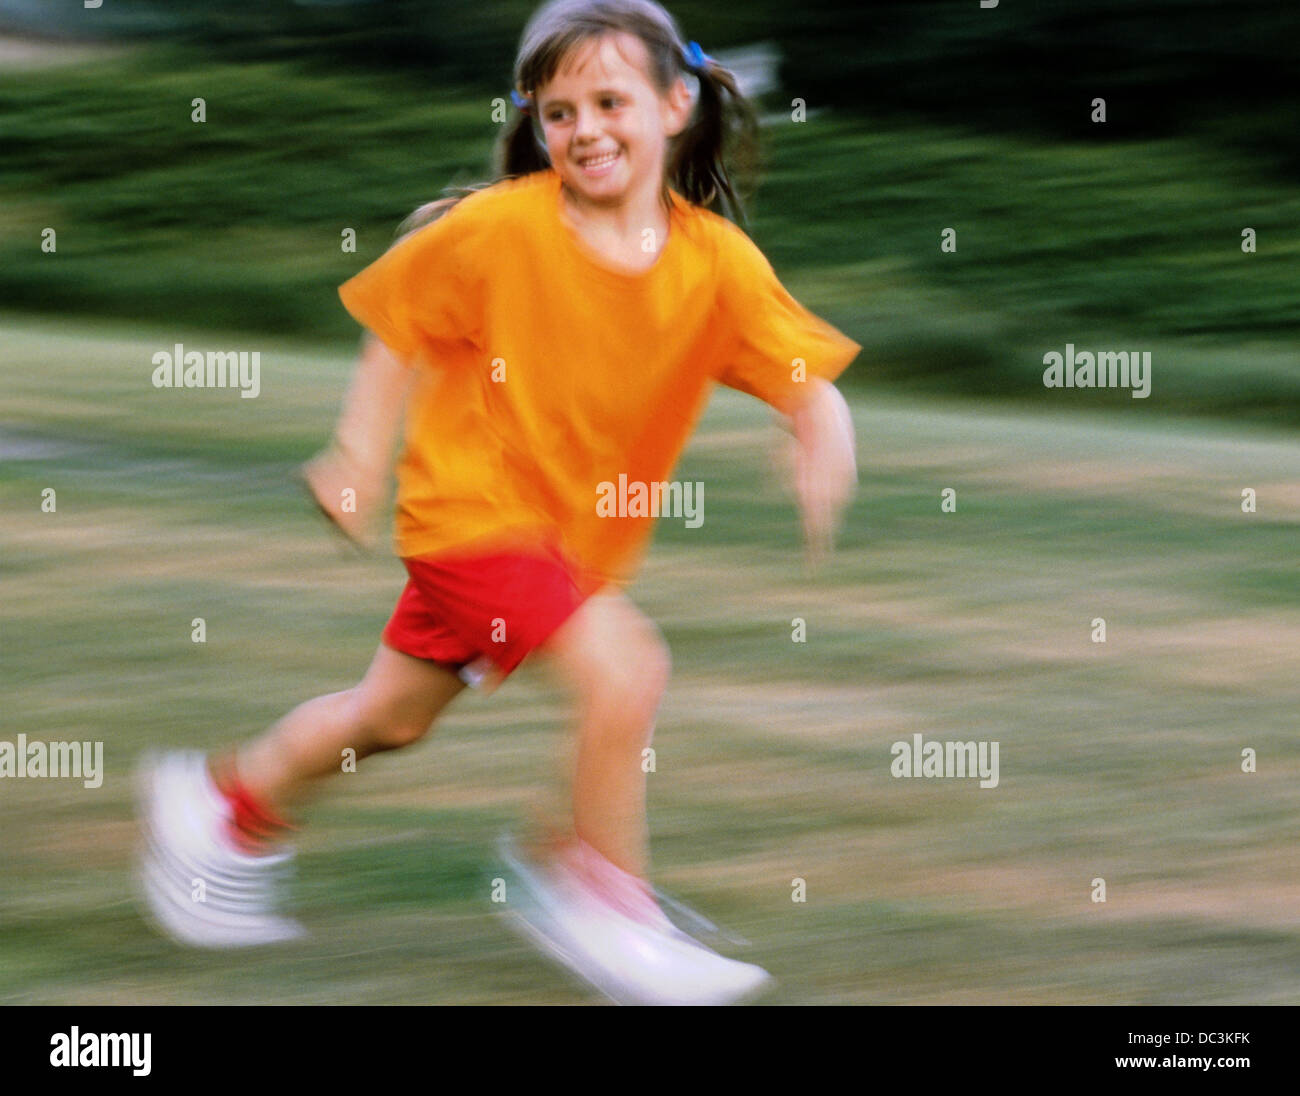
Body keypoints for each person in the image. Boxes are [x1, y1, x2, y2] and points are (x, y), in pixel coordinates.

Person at [136, 0, 860, 1005]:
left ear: (675, 105)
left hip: (563, 551)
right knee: (625, 668)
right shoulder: (499, 228)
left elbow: (800, 372)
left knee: (388, 716)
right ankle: (595, 887)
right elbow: (398, 320)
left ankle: (219, 808)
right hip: (469, 521)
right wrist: (355, 453)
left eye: (609, 101)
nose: (584, 128)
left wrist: (821, 430)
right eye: (558, 112)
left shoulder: (715, 264)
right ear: (536, 123)